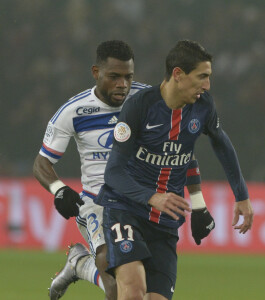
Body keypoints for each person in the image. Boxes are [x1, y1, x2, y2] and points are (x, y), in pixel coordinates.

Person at [33, 40, 214, 300]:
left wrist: (198, 204)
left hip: (142, 202)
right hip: (98, 201)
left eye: (128, 77)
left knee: (136, 292)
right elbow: (42, 162)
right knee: (117, 283)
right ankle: (82, 264)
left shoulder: (150, 101)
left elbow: (183, 154)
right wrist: (59, 189)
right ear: (96, 73)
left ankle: (79, 263)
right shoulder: (73, 111)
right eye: (114, 77)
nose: (123, 84)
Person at [96, 40, 254, 300]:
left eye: (209, 77)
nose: (207, 85)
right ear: (178, 74)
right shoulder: (140, 107)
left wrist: (242, 197)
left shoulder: (202, 107)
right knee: (133, 291)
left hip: (165, 220)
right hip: (126, 210)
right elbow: (113, 173)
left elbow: (218, 146)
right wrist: (152, 196)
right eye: (202, 77)